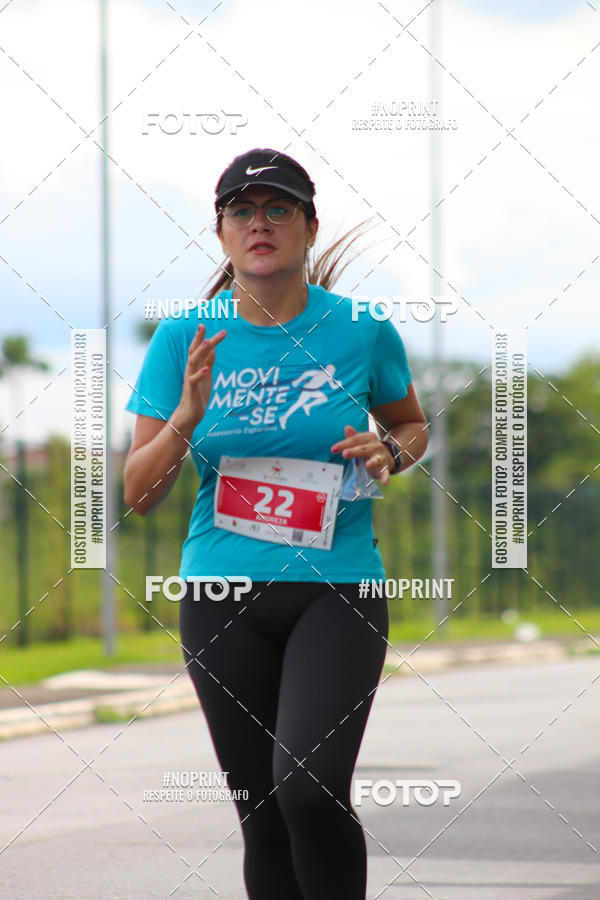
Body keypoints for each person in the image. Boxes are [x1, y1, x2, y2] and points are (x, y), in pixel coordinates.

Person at [124, 148, 428, 900]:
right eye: (242, 211)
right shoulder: (185, 339)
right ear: (222, 234)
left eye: (279, 209)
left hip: (338, 589)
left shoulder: (360, 329)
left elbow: (412, 425)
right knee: (262, 816)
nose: (260, 224)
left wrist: (389, 451)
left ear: (309, 227)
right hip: (220, 593)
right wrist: (185, 419)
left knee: (308, 787)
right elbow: (138, 492)